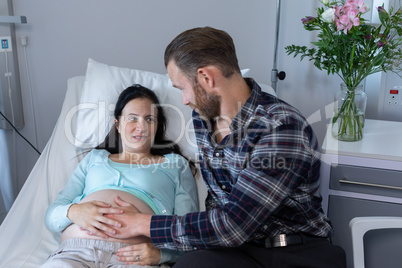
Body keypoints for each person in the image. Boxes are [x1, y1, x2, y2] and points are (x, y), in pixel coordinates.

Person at [103, 27, 347, 268]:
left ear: (206, 78)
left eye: (182, 88)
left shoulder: (281, 127)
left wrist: (143, 223)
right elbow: (217, 207)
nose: (184, 101)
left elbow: (234, 225)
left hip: (294, 252)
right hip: (237, 252)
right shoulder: (203, 119)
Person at [41, 84, 199, 267]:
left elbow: (189, 233)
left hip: (133, 257)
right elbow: (51, 215)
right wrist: (74, 211)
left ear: (157, 126)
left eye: (149, 119)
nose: (141, 127)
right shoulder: (94, 158)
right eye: (133, 119)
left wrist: (161, 255)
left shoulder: (175, 164)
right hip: (75, 253)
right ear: (117, 124)